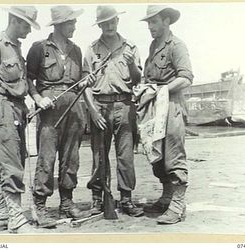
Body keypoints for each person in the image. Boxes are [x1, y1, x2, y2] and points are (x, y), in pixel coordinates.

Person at [0, 6, 41, 233]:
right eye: (26, 25)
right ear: (14, 20)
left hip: (17, 109)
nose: (28, 31)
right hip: (2, 107)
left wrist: (35, 100)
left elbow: (22, 83)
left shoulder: (16, 48)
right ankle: (16, 219)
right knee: (11, 161)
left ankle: (3, 213)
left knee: (8, 158)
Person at [26, 5, 92, 224]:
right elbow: (28, 79)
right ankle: (41, 205)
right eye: (71, 22)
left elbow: (81, 79)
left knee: (71, 158)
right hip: (50, 110)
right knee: (47, 157)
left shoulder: (76, 49)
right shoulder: (39, 48)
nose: (75, 26)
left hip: (75, 106)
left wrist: (87, 80)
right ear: (60, 25)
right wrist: (38, 98)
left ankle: (67, 203)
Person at [83, 6, 144, 217]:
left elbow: (137, 80)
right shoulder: (91, 49)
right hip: (100, 106)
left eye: (112, 21)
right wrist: (92, 111)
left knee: (125, 155)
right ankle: (97, 199)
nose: (109, 26)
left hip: (125, 105)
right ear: (99, 25)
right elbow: (85, 85)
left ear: (118, 21)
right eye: (105, 22)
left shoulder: (130, 47)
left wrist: (132, 66)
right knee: (99, 155)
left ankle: (126, 199)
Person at [140, 5, 194, 224]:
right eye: (149, 23)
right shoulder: (153, 46)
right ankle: (167, 196)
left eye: (154, 22)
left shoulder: (177, 46)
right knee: (157, 156)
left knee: (173, 155)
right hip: (154, 106)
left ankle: (178, 205)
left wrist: (163, 90)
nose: (150, 27)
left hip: (171, 105)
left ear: (166, 21)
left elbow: (186, 77)